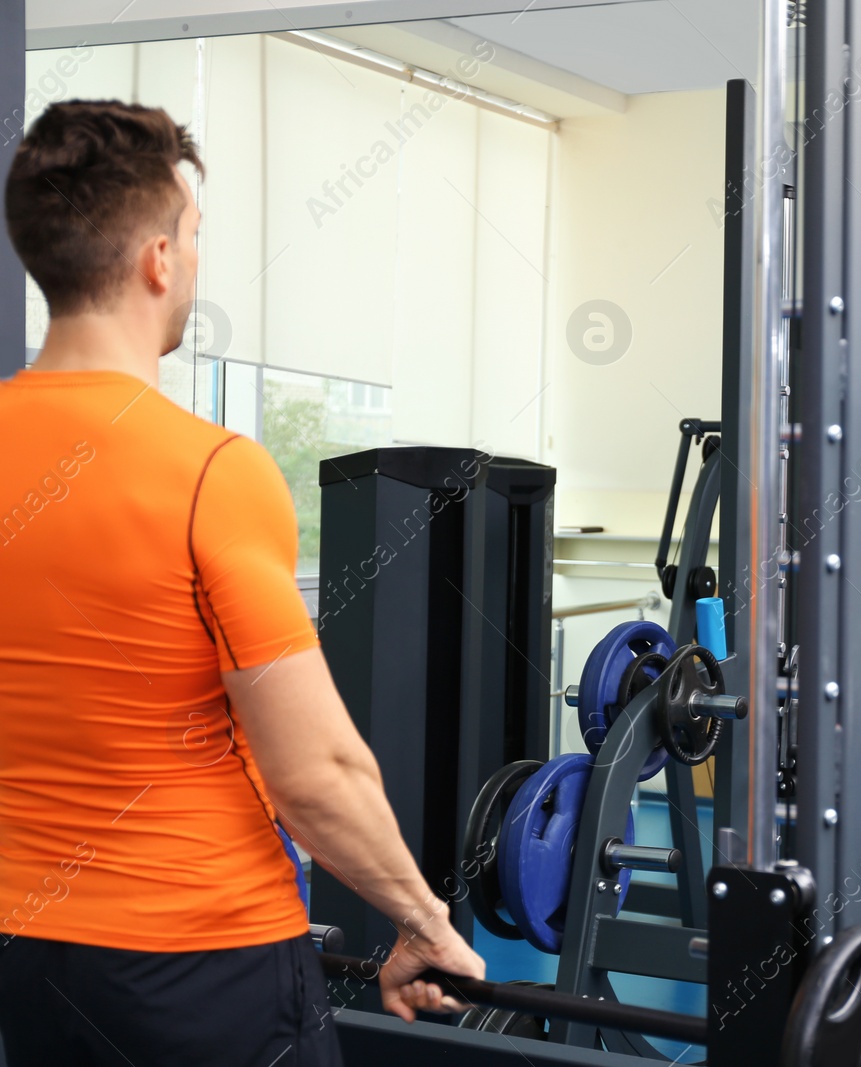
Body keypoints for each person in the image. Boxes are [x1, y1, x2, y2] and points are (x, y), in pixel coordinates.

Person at [0, 101, 483, 1066]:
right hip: (195, 956)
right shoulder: (212, 470)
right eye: (194, 232)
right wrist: (422, 919)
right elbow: (318, 775)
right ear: (159, 259)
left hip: (25, 955)